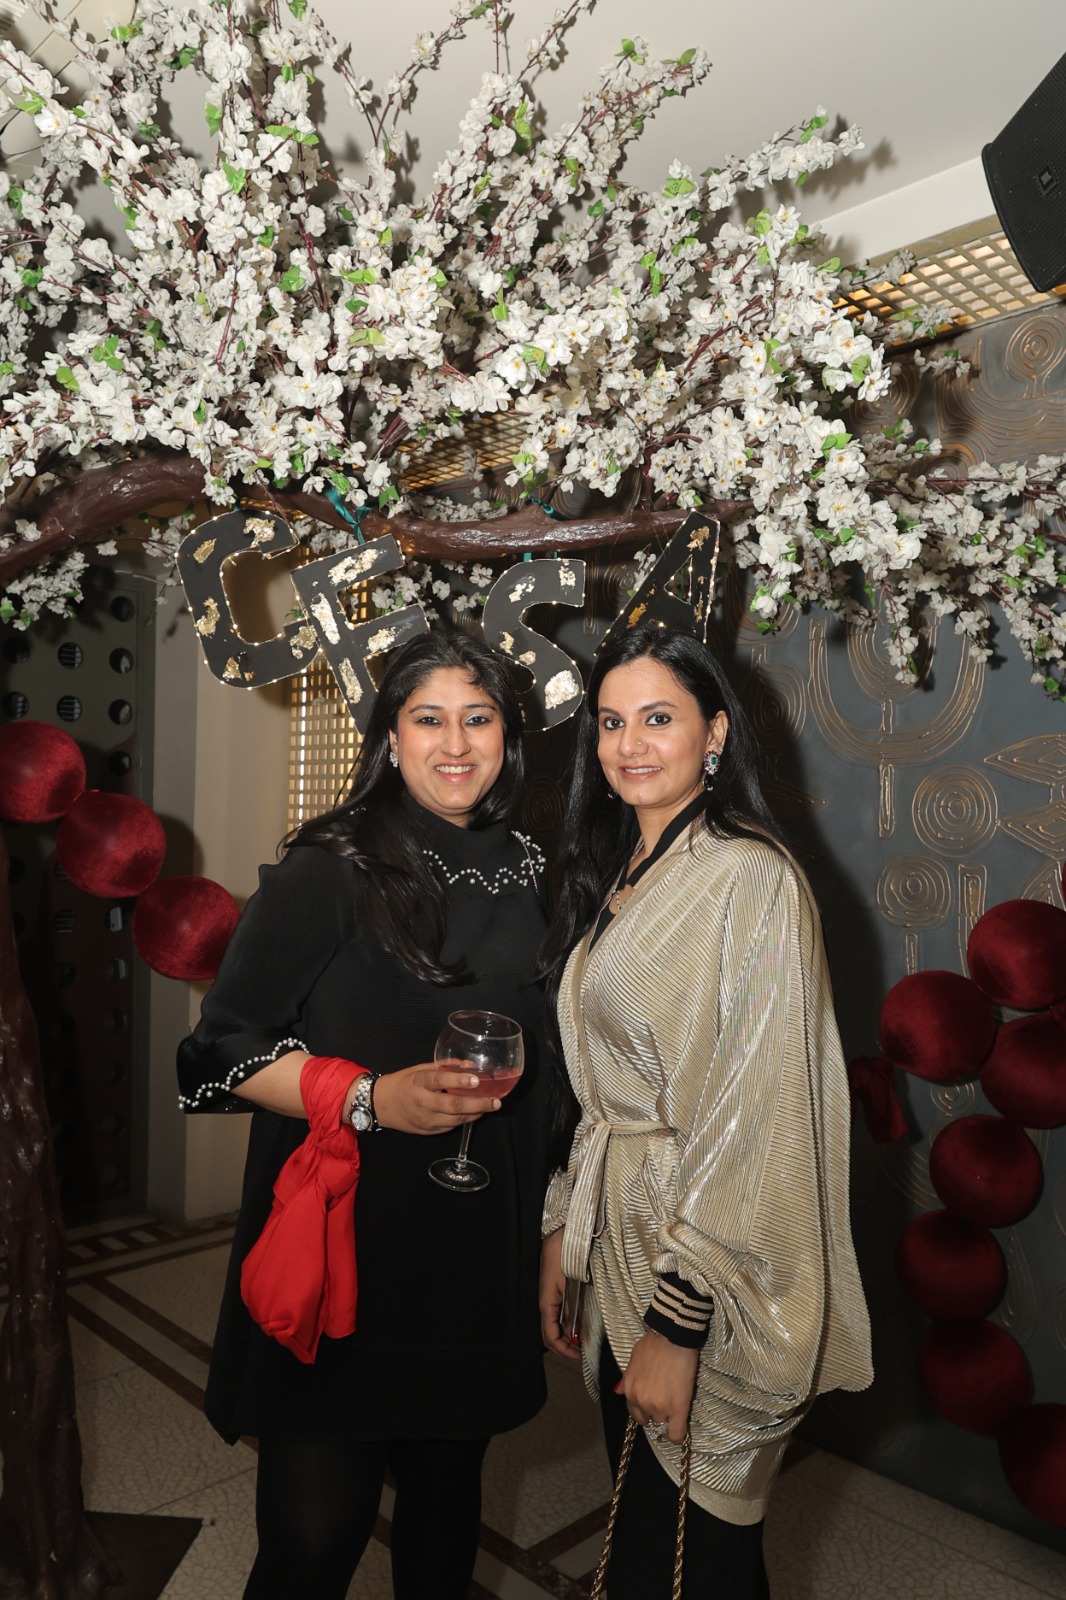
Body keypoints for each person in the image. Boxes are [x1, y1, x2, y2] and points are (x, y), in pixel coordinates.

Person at [178, 629, 562, 1600]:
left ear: (509, 736)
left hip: (473, 1253)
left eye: (478, 718)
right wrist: (368, 1097)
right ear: (390, 735)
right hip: (346, 1247)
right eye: (428, 718)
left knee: (442, 1528)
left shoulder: (539, 874)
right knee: (312, 1547)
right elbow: (217, 1050)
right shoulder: (331, 867)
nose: (455, 744)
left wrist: (556, 1227)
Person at [538, 621, 872, 1600]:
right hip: (621, 1240)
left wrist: (678, 1323)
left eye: (659, 718)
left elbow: (757, 1114)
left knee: (689, 1556)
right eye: (611, 722)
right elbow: (601, 1089)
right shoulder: (628, 871)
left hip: (706, 1274)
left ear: (714, 732)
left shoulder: (750, 878)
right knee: (661, 1543)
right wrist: (563, 1228)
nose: (630, 743)